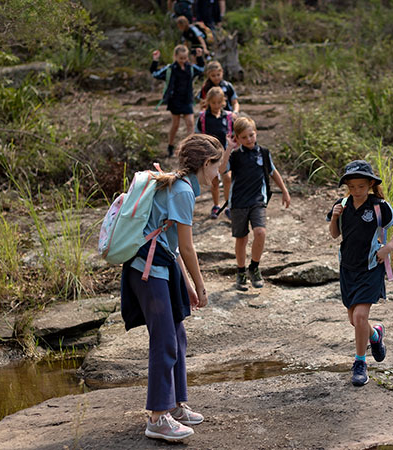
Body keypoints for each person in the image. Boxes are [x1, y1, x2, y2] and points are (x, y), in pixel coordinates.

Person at [120, 134, 223, 442]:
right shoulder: (182, 191)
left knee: (176, 336)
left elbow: (171, 243)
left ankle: (176, 406)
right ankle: (157, 417)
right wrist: (201, 286)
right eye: (217, 166)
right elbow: (188, 249)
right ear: (206, 164)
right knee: (164, 341)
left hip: (160, 267)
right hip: (148, 272)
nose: (219, 174)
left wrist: (186, 284)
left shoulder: (180, 187)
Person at [326, 160, 393, 387]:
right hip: (348, 269)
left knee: (361, 317)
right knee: (354, 320)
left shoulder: (379, 206)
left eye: (361, 186)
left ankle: (360, 363)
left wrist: (388, 247)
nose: (356, 191)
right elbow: (334, 234)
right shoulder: (342, 204)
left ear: (370, 184)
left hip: (371, 267)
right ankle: (375, 335)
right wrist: (334, 216)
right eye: (352, 187)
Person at [220, 115, 291, 290]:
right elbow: (222, 170)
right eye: (243, 137)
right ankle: (241, 271)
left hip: (258, 201)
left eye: (251, 135)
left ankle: (254, 267)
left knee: (260, 232)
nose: (249, 139)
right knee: (242, 239)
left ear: (256, 133)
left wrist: (285, 191)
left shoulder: (264, 153)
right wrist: (229, 148)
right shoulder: (235, 156)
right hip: (238, 203)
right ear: (237, 138)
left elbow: (273, 172)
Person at [150, 45, 204, 157]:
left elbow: (201, 69)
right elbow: (155, 73)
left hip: (187, 99)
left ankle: (189, 148)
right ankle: (170, 145)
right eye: (181, 58)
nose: (183, 60)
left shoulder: (190, 68)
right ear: (175, 57)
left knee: (190, 123)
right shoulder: (170, 69)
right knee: (176, 124)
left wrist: (199, 57)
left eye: (185, 58)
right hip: (175, 100)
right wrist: (155, 60)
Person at [195, 86, 234, 219]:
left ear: (223, 102)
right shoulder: (203, 117)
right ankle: (216, 205)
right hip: (210, 154)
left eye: (219, 102)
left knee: (227, 178)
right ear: (208, 102)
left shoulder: (228, 117)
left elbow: (233, 134)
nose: (216, 105)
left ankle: (228, 206)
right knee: (215, 181)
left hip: (225, 153)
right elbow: (198, 134)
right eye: (213, 103)